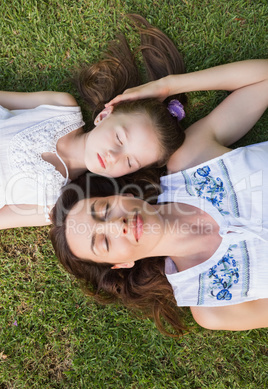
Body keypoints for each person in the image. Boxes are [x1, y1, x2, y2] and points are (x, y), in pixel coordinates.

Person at [50, 57, 268, 336]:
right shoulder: (213, 306)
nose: (118, 225)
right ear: (121, 265)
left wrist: (168, 86)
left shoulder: (191, 160)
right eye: (104, 241)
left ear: (121, 195)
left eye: (104, 210)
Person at [0, 15, 186, 230]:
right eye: (119, 137)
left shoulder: (58, 203)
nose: (113, 156)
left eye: (129, 162)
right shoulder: (61, 108)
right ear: (104, 116)